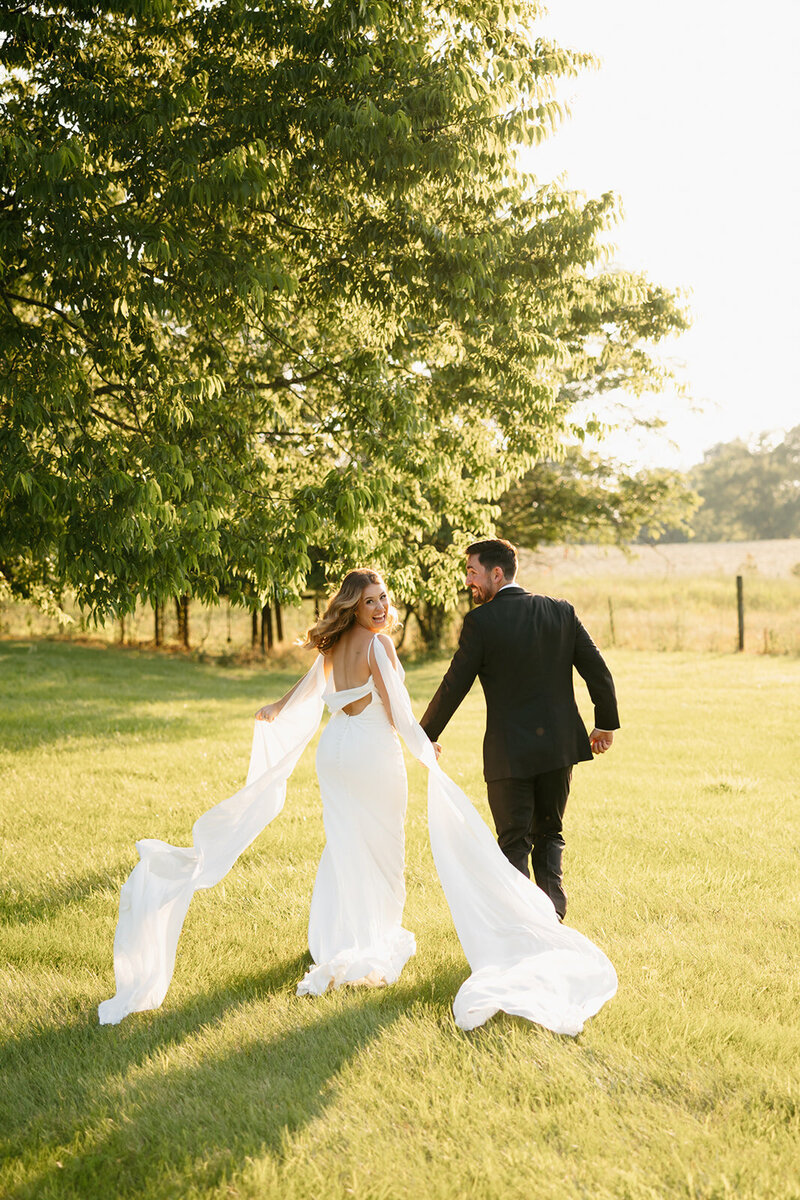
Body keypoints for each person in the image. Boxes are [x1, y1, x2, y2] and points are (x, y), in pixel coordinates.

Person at [98, 566, 617, 1034]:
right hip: (371, 756)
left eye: (384, 599)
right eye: (371, 601)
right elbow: (395, 711)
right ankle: (372, 940)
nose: (381, 608)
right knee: (384, 852)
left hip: (335, 754)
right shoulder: (377, 646)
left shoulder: (335, 643)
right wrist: (425, 748)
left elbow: (306, 688)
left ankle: (334, 938)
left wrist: (276, 707)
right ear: (353, 604)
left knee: (345, 845)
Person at [420, 538, 619, 921]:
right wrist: (605, 723)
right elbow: (598, 671)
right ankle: (552, 922)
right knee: (550, 835)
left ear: (497, 573)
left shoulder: (481, 622)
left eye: (472, 572)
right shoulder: (560, 612)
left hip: (509, 753)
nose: (468, 581)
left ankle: (520, 927)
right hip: (559, 747)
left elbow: (454, 684)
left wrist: (426, 733)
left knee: (513, 841)